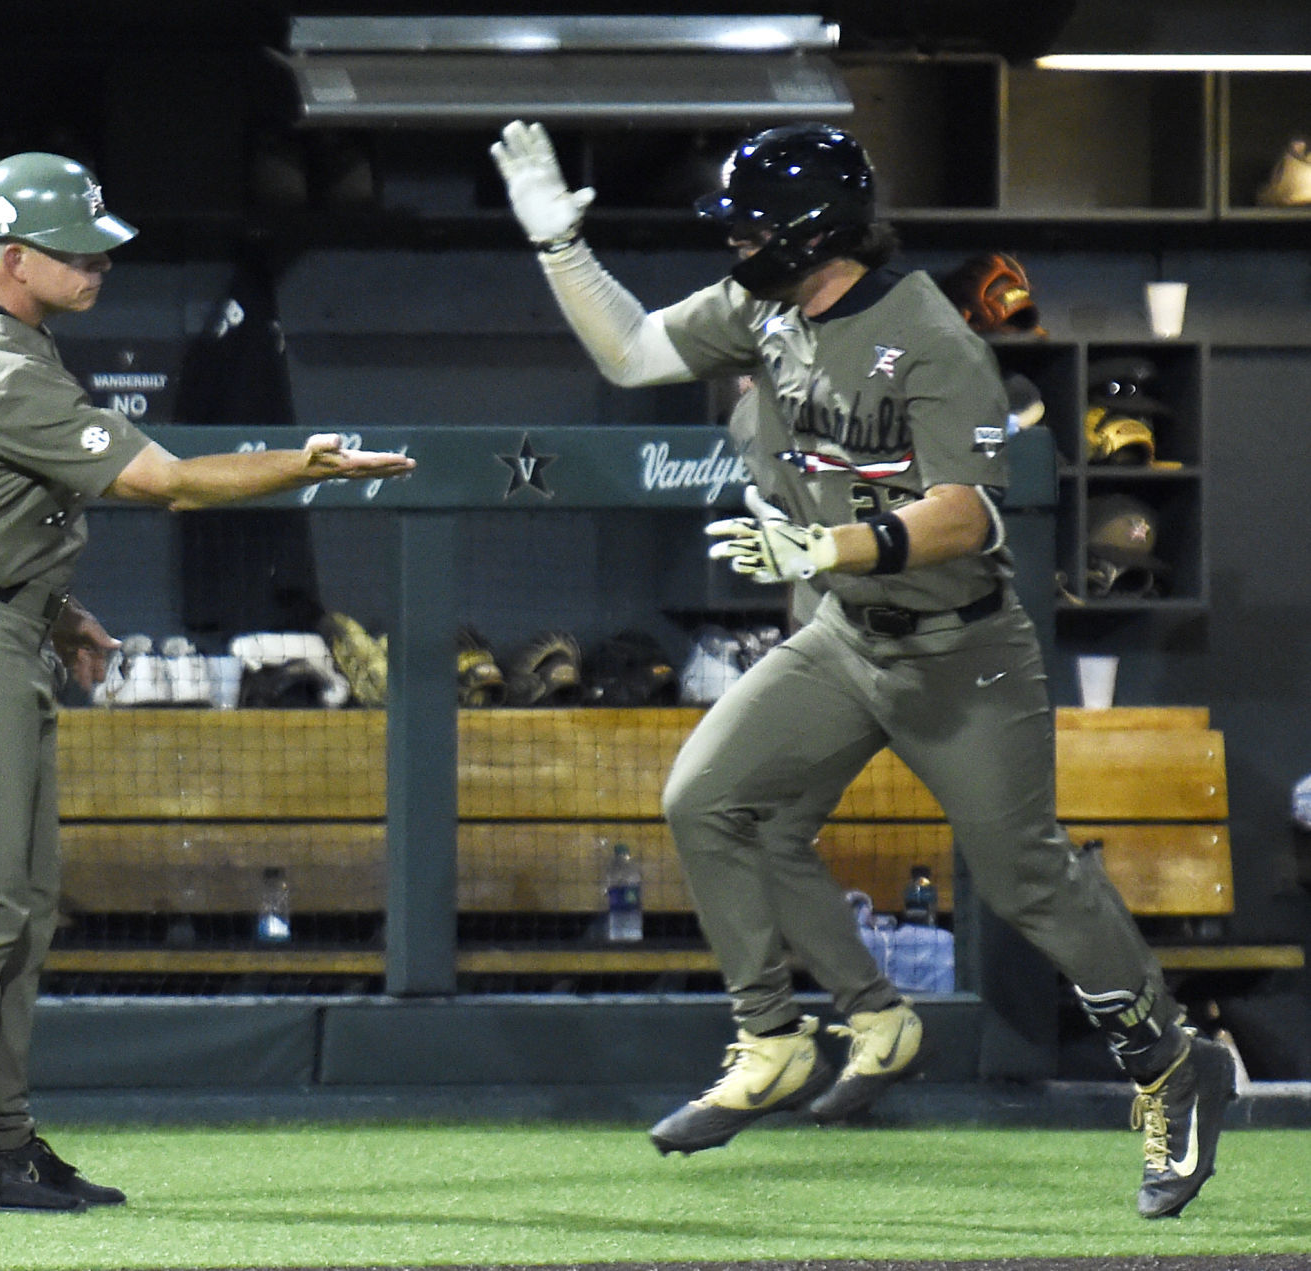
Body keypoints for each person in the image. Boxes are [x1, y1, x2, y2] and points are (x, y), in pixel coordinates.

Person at [491, 119, 1233, 1219]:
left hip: (960, 651)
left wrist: (830, 545)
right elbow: (635, 350)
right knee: (709, 799)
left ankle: (1174, 1063)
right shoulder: (765, 308)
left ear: (810, 234)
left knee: (1025, 873)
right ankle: (778, 1034)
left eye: (750, 226)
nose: (733, 243)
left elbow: (968, 511)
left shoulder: (928, 334)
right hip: (847, 634)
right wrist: (560, 249)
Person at [0, 151, 414, 1214]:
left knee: (22, 907)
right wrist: (304, 463)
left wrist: (54, 607)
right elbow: (165, 483)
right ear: (15, 255)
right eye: (77, 253)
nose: (100, 265)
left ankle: (5, 1136)